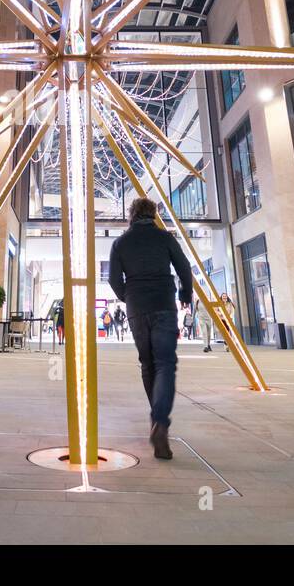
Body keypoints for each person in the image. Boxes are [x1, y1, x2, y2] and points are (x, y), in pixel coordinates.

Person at [108, 197, 192, 461]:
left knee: (147, 363)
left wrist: (127, 297)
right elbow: (184, 267)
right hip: (163, 305)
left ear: (131, 215)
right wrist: (185, 294)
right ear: (154, 214)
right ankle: (160, 421)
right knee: (166, 363)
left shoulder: (120, 242)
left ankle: (157, 420)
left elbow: (113, 279)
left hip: (136, 307)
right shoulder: (164, 238)